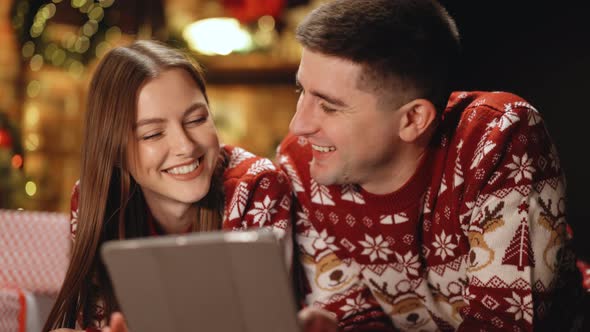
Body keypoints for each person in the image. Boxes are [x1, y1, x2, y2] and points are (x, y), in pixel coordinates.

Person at [277, 0, 575, 330]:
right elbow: (354, 319)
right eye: (300, 90)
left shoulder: (496, 135)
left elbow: (504, 323)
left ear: (413, 119)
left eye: (329, 107)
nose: (298, 125)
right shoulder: (301, 161)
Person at [43, 40, 293, 332]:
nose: (185, 146)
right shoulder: (96, 199)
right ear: (114, 150)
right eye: (152, 134)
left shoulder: (258, 188)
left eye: (197, 119)